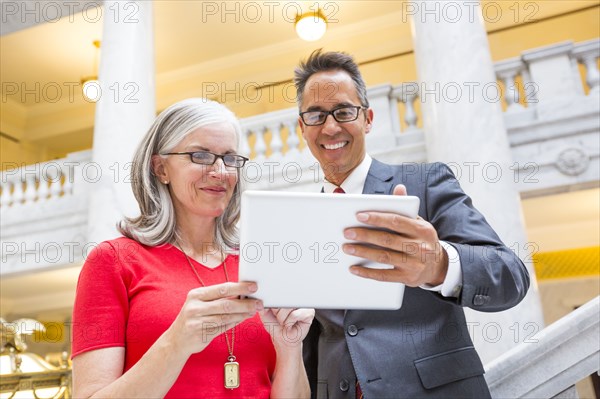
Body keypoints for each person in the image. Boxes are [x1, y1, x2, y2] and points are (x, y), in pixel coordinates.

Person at [294, 50, 530, 398]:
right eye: (315, 115)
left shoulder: (426, 183)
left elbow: (510, 276)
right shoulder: (299, 221)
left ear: (368, 118)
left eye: (344, 111)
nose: (330, 127)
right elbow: (315, 337)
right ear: (302, 128)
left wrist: (440, 265)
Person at [71, 98, 314, 398]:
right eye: (200, 155)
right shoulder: (114, 261)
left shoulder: (261, 261)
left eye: (229, 157)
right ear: (161, 168)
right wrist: (177, 343)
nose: (220, 171)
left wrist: (290, 347)